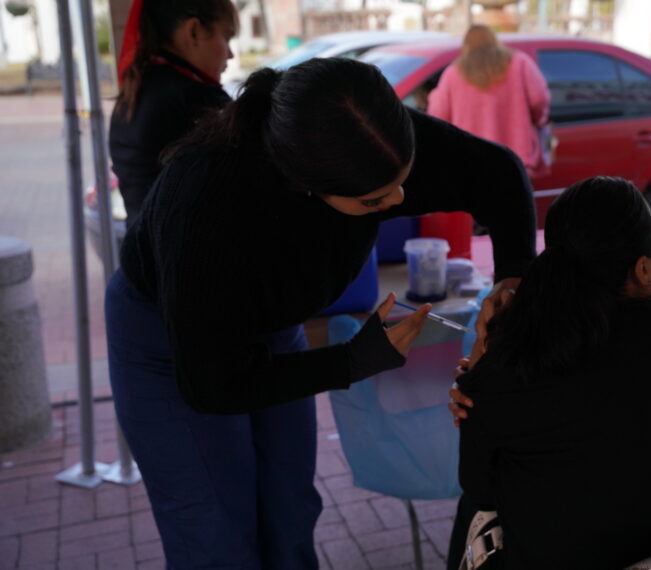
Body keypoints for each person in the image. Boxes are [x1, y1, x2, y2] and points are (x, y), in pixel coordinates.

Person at [105, 57, 536, 568]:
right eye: (377, 200)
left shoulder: (368, 138)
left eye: (404, 181)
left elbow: (500, 174)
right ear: (308, 186)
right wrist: (351, 362)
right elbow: (211, 384)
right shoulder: (205, 210)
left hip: (270, 322)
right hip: (169, 340)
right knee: (214, 531)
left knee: (290, 507)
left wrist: (514, 284)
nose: (398, 199)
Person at [448, 177, 651, 569]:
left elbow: (481, 489)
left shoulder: (510, 359)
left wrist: (481, 370)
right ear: (642, 268)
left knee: (476, 511)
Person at [110, 0, 237, 227]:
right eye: (226, 38)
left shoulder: (134, 91)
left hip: (140, 253)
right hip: (187, 256)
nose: (231, 54)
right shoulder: (197, 99)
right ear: (194, 31)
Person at [428, 25, 551, 179]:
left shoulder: (453, 73)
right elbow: (539, 98)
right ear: (494, 40)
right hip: (516, 159)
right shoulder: (520, 63)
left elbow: (437, 116)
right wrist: (538, 120)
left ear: (466, 45)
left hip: (470, 161)